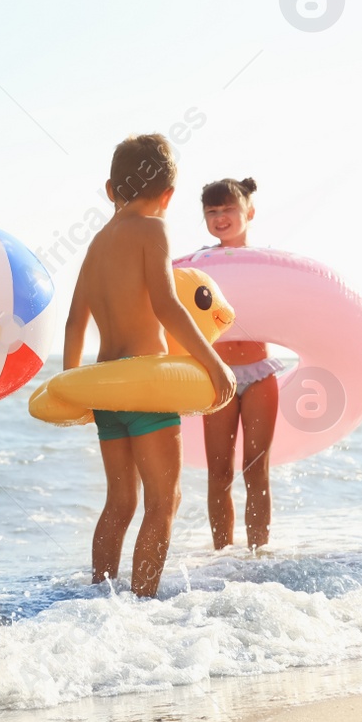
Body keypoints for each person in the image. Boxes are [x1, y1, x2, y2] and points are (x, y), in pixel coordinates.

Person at [61, 134, 234, 597]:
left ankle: (98, 599)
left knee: (119, 502)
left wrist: (72, 386)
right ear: (168, 196)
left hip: (104, 390)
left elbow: (75, 321)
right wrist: (214, 363)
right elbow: (167, 306)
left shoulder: (96, 244)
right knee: (164, 501)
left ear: (109, 189)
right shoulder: (153, 230)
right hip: (144, 387)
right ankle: (140, 610)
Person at [196, 176, 281, 551]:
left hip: (259, 372)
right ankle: (223, 554)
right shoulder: (200, 263)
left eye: (228, 209)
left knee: (256, 468)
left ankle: (257, 553)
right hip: (219, 375)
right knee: (219, 471)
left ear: (249, 211)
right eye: (211, 211)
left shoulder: (265, 262)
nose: (220, 217)